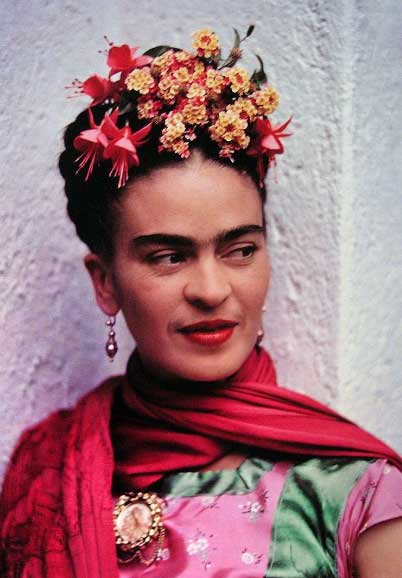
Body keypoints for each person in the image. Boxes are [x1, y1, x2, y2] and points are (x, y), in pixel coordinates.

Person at [0, 26, 401, 578]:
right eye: (169, 257)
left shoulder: (358, 494)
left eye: (240, 250)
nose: (212, 291)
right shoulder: (46, 472)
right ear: (105, 282)